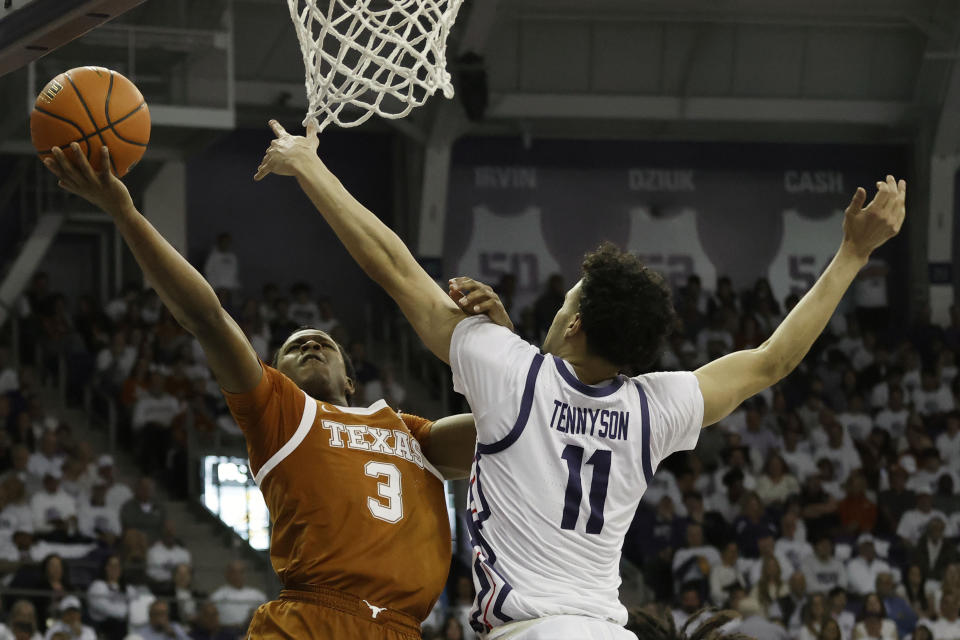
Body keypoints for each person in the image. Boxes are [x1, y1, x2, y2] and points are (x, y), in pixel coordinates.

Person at [256, 119, 906, 639]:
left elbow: (394, 266)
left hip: (530, 631)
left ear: (573, 328)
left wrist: (309, 166)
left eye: (566, 302)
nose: (559, 308)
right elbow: (771, 360)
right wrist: (852, 253)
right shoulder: (656, 405)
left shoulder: (510, 372)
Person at [44, 144, 517, 640]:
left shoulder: (410, 433)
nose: (311, 341)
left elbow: (515, 425)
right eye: (294, 347)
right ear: (278, 374)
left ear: (352, 381)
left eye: (324, 343)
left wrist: (499, 342)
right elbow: (206, 317)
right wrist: (125, 212)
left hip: (400, 630)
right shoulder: (280, 412)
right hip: (311, 619)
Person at [207, 560, 266, 633]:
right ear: (227, 574)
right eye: (233, 572)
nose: (237, 575)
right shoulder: (217, 596)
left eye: (241, 572)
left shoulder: (258, 596)